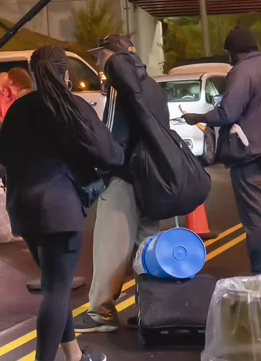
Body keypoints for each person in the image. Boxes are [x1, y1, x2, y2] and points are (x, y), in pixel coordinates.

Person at [1, 46, 121, 361]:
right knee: (56, 290)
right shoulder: (72, 106)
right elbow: (107, 153)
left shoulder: (18, 109)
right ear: (65, 73)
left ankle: (75, 357)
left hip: (24, 208)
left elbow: (2, 156)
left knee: (57, 284)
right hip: (61, 209)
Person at [183, 26, 261, 275]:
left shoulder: (242, 71)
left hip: (250, 156)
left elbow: (228, 113)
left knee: (256, 217)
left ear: (232, 52)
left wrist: (198, 117)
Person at [75, 35, 167, 334]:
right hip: (152, 177)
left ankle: (101, 312)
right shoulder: (152, 86)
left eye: (101, 56)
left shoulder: (119, 87)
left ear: (113, 56)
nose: (100, 63)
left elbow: (112, 137)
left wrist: (101, 169)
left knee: (110, 245)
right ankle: (153, 310)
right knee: (146, 246)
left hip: (124, 176)